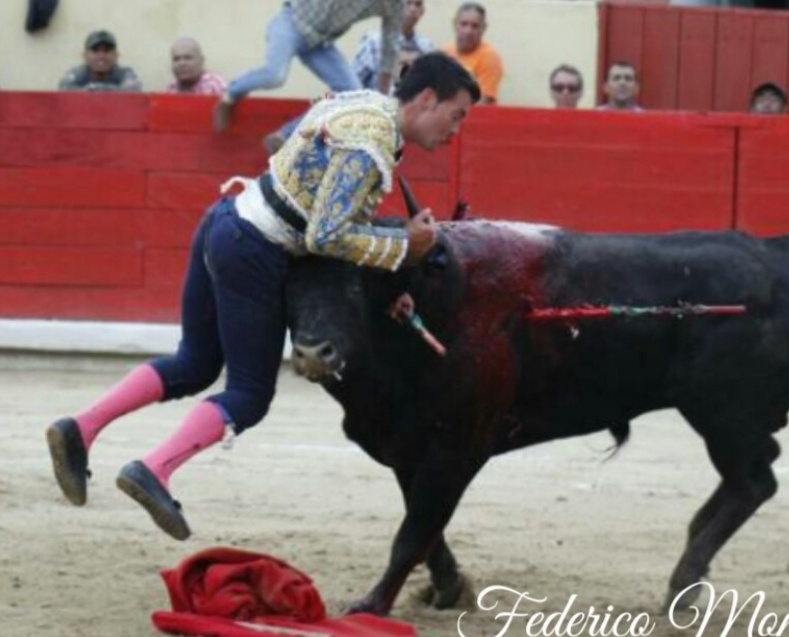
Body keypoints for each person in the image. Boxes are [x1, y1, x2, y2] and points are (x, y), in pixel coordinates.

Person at [46, 53, 481, 541]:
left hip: (225, 218)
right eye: (456, 114)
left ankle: (80, 428)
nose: (455, 129)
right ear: (426, 99)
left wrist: (390, 248)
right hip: (254, 249)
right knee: (249, 395)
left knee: (194, 362)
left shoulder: (365, 104)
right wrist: (404, 248)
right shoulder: (373, 144)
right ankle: (154, 469)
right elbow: (325, 236)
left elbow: (324, 209)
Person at [213, 0, 405, 131]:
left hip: (320, 42)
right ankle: (230, 94)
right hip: (292, 21)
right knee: (275, 75)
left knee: (352, 94)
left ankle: (286, 135)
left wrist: (381, 97)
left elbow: (390, 47)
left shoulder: (395, 4)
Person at [352, 0, 434, 92]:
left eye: (418, 4)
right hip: (378, 102)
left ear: (423, 11)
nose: (413, 9)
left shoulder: (427, 47)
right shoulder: (373, 43)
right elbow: (355, 80)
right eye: (408, 3)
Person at [442, 3, 504, 105]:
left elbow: (484, 102)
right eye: (464, 24)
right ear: (455, 24)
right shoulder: (444, 54)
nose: (468, 31)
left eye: (475, 26)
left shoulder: (490, 57)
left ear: (484, 28)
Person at [58, 30, 142, 92]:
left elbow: (133, 91)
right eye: (95, 51)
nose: (101, 56)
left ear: (116, 56)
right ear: (85, 56)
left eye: (107, 51)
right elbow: (64, 88)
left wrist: (95, 90)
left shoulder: (125, 73)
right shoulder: (78, 73)